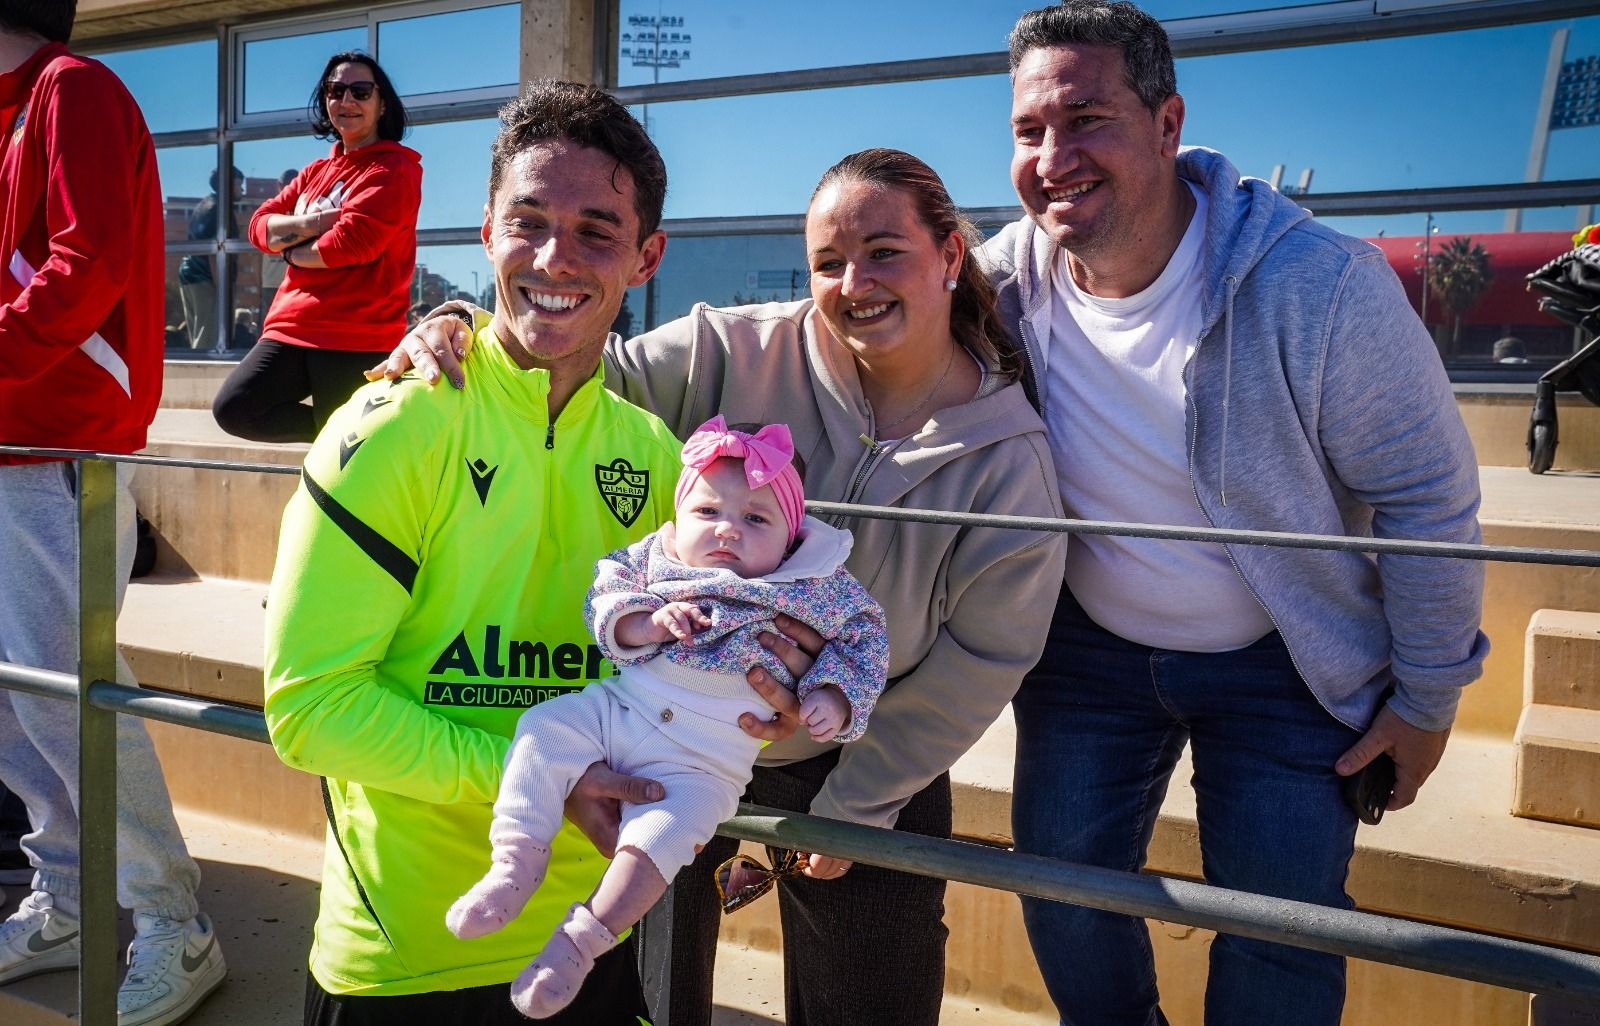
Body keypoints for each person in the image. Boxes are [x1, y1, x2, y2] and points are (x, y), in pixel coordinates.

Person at [382, 145, 1069, 1026]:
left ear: (950, 255)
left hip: (868, 759)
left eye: (884, 251)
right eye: (828, 261)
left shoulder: (1009, 460)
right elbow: (570, 362)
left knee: (869, 1004)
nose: (854, 281)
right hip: (672, 731)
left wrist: (857, 796)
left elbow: (986, 655)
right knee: (658, 997)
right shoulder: (728, 347)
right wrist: (460, 326)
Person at [263, 81, 808, 1026]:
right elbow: (312, 711)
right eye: (530, 222)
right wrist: (547, 774)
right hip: (407, 955)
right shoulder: (396, 424)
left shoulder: (657, 457)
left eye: (599, 230)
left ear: (648, 258)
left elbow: (680, 667)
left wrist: (765, 688)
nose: (556, 258)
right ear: (485, 232)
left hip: (586, 937)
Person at [988, 4, 1487, 1024]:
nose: (1052, 156)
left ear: (1169, 123)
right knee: (1063, 899)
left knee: (1285, 938)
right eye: (1028, 131)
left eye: (1085, 119)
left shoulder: (1319, 287)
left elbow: (1425, 498)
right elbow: (838, 321)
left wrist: (1428, 698)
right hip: (1087, 652)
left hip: (1283, 656)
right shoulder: (1000, 286)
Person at [449, 416, 887, 1019]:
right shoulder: (655, 559)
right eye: (708, 512)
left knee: (660, 840)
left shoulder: (816, 584)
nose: (728, 530)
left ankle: (582, 940)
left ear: (790, 537)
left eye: (756, 519)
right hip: (621, 708)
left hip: (706, 757)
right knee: (544, 728)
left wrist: (834, 696)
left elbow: (865, 641)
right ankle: (515, 862)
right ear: (679, 518)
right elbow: (605, 593)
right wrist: (643, 622)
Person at [0, 3, 227, 1025]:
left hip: (58, 453)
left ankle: (175, 922)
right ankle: (67, 897)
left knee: (66, 692)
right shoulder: (14, 109)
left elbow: (82, 266)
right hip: (13, 441)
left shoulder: (70, 90)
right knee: (12, 700)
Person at [212, 51, 420, 442]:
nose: (347, 101)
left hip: (355, 333)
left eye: (360, 91)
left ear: (382, 103)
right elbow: (259, 226)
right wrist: (316, 223)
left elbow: (352, 244)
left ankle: (351, 438)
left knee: (347, 460)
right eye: (335, 90)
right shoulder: (314, 173)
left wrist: (289, 248)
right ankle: (342, 433)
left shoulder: (394, 169)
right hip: (291, 327)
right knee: (234, 408)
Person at [176, 166, 241, 351]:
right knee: (209, 338)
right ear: (228, 184)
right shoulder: (219, 209)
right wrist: (222, 288)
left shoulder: (206, 204)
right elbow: (215, 249)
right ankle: (202, 377)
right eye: (238, 184)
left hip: (191, 275)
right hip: (205, 278)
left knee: (199, 334)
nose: (241, 189)